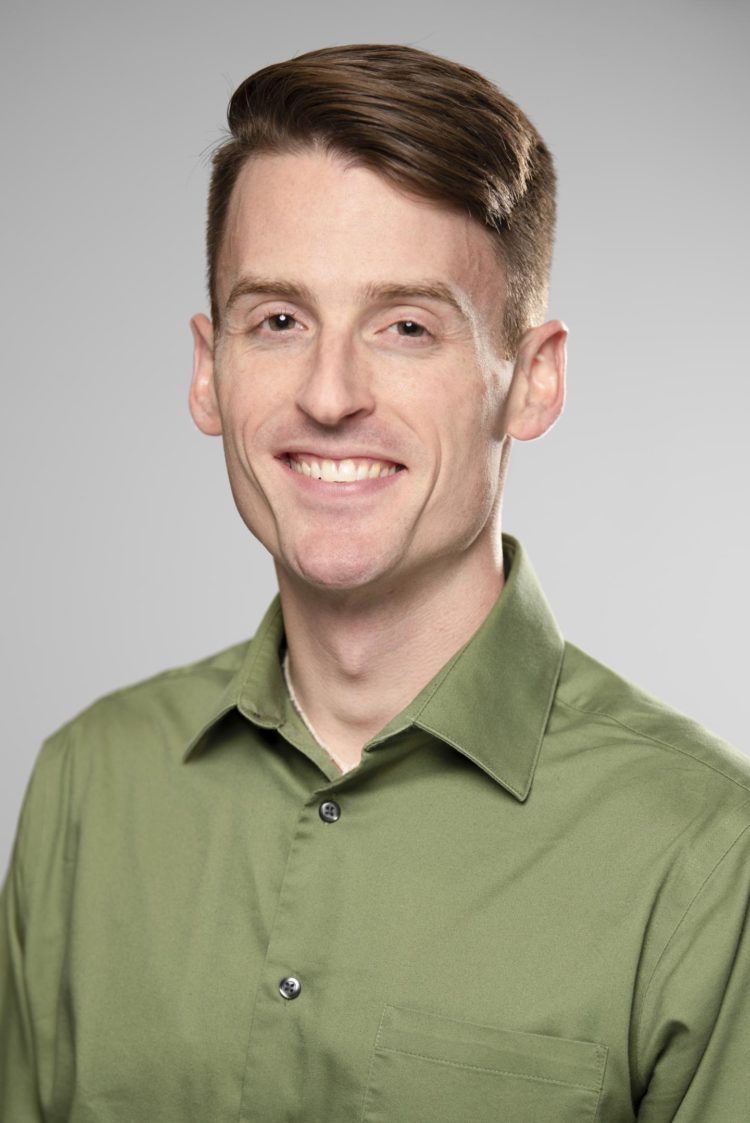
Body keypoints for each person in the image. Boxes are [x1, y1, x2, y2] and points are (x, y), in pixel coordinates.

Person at [1, 42, 748, 1123]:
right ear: (209, 371)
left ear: (532, 381)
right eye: (279, 320)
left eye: (406, 326)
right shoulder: (89, 783)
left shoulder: (707, 850)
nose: (330, 393)